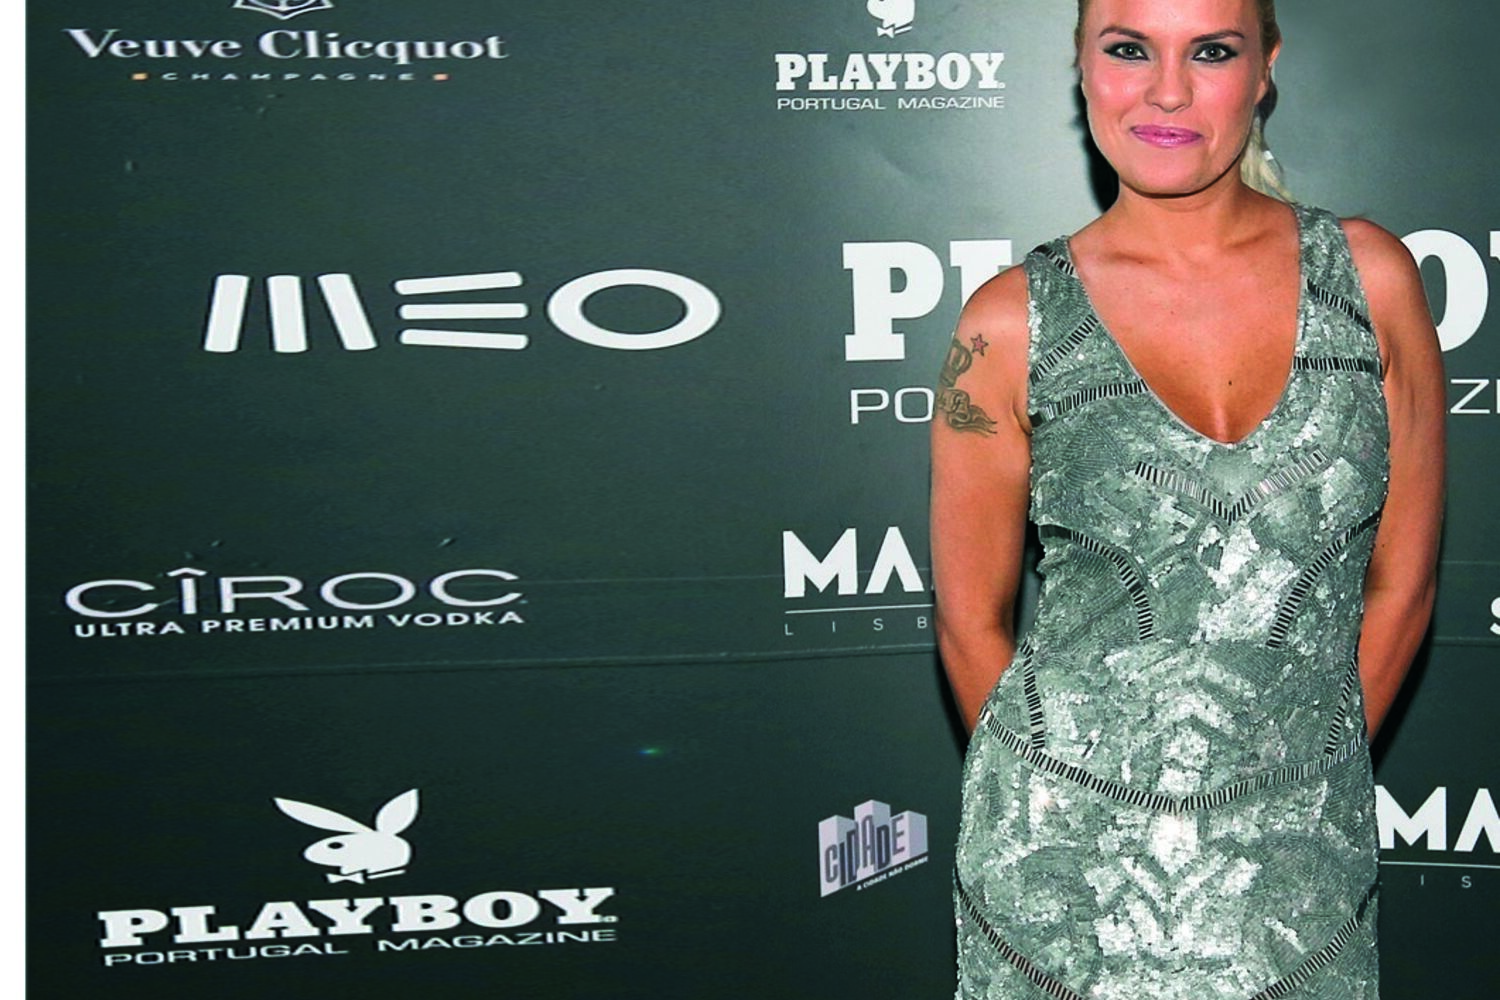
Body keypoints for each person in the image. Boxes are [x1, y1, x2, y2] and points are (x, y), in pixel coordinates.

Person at [930, 1, 1445, 997]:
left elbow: (1404, 587)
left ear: (1264, 68)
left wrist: (1298, 781)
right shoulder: (1009, 320)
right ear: (1084, 66)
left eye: (1211, 51)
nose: (1167, 91)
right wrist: (1068, 805)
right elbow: (968, 621)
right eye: (1130, 49)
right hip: (1058, 876)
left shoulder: (1371, 281)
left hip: (1299, 863)